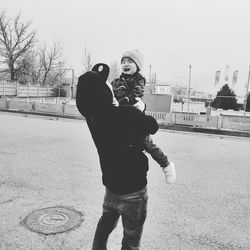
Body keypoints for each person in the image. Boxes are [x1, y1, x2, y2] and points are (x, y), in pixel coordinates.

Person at [76, 63, 172, 250]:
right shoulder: (126, 114)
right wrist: (142, 106)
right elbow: (152, 126)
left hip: (111, 188)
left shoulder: (92, 118)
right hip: (134, 191)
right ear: (105, 95)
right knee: (131, 238)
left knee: (104, 227)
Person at [111, 49, 176, 181]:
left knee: (147, 144)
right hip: (121, 119)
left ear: (137, 66)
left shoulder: (139, 80)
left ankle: (166, 165)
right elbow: (109, 92)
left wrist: (119, 102)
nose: (125, 64)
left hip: (135, 117)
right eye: (123, 62)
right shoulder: (117, 81)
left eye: (130, 61)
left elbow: (136, 96)